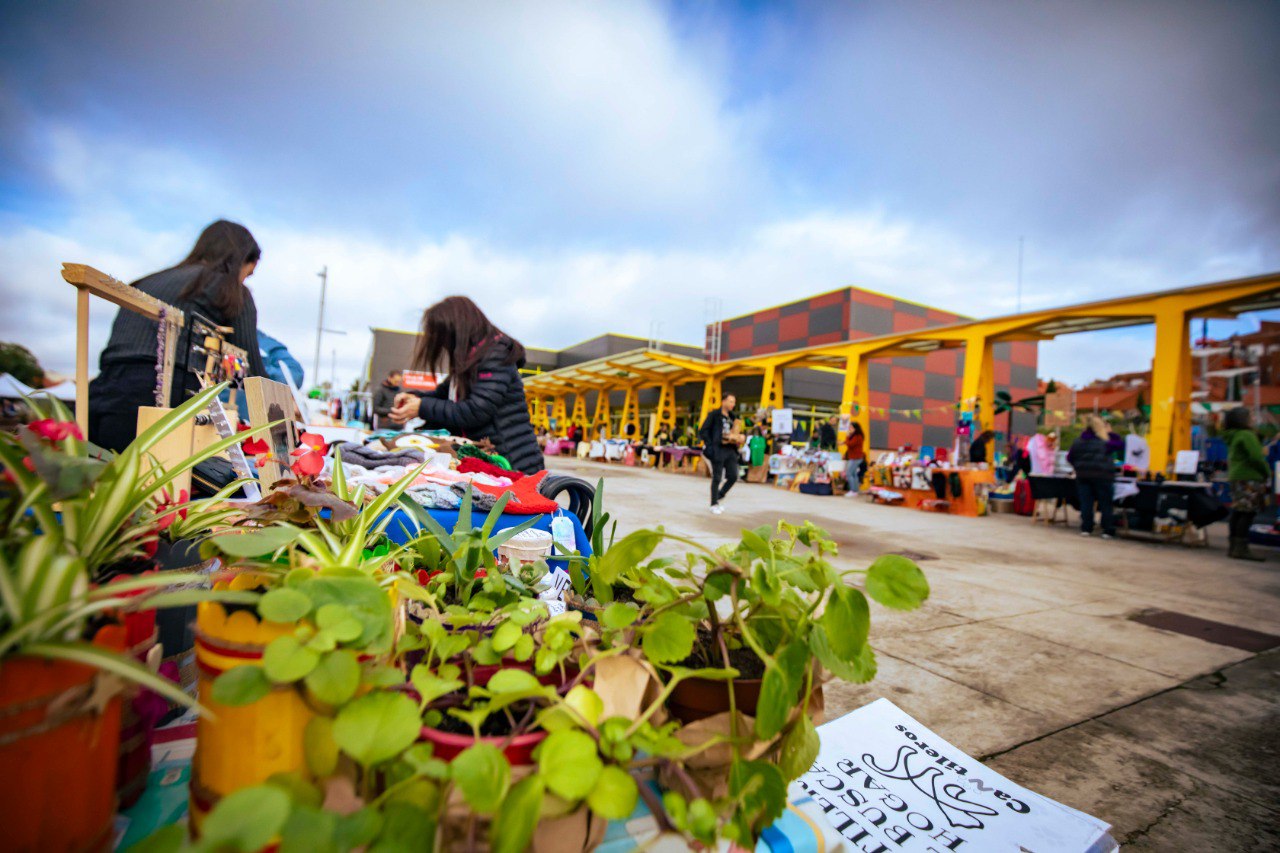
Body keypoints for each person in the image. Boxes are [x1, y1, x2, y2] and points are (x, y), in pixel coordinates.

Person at [89, 220, 266, 452]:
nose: (243, 280)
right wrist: (282, 408)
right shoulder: (229, 288)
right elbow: (252, 373)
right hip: (160, 403)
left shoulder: (146, 281)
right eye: (247, 274)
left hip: (100, 395)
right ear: (240, 261)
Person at [388, 296, 543, 475]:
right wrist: (414, 398)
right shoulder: (470, 360)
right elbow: (442, 394)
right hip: (489, 458)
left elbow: (476, 411)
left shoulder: (495, 355)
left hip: (512, 462)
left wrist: (422, 407)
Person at [1221, 407, 1270, 560]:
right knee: (1247, 512)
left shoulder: (1234, 435)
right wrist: (1266, 472)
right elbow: (1256, 457)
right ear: (1243, 419)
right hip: (1249, 477)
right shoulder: (1247, 435)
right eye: (1251, 416)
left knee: (1238, 511)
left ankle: (1234, 546)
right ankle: (1241, 548)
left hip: (1236, 476)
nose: (1253, 419)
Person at [1067, 416, 1117, 538]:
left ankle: (1086, 528)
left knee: (1086, 502)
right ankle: (1107, 529)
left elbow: (1069, 457)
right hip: (1103, 476)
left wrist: (1078, 466)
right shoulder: (1105, 442)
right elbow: (1119, 447)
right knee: (1105, 503)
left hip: (1083, 475)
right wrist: (1111, 433)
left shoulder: (1078, 441)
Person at [699, 394, 743, 515]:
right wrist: (710, 445)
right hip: (718, 449)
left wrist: (739, 437)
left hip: (730, 449)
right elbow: (703, 431)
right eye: (730, 401)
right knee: (717, 477)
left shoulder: (733, 417)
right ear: (723, 401)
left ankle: (719, 495)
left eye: (734, 402)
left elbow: (736, 431)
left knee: (733, 475)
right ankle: (713, 504)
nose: (733, 404)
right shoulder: (714, 415)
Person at [843, 421, 866, 496]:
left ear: (856, 428)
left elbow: (850, 444)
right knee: (854, 474)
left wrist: (847, 437)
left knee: (849, 473)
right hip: (855, 457)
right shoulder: (855, 436)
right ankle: (856, 490)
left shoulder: (857, 436)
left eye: (851, 427)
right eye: (849, 427)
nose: (849, 429)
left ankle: (853, 490)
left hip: (855, 458)